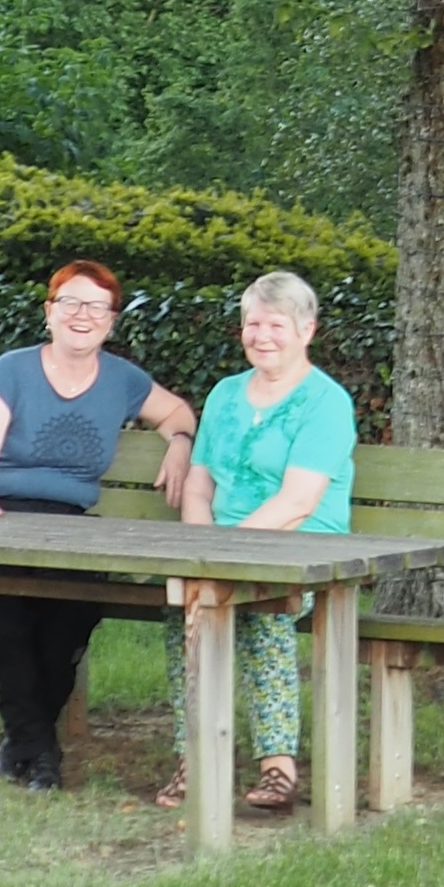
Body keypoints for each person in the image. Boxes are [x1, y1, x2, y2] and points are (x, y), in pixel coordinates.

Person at [0, 261, 198, 787]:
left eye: (96, 307)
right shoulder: (10, 370)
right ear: (50, 312)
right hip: (0, 514)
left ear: (111, 320)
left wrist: (179, 444)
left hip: (71, 526)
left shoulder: (123, 380)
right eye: (71, 303)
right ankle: (40, 753)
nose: (82, 315)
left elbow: (178, 413)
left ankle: (23, 743)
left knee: (72, 615)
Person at [156, 267, 360, 817]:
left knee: (265, 613)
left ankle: (279, 769)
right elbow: (199, 484)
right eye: (252, 323)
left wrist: (227, 555)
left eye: (276, 324)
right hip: (224, 547)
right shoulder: (224, 394)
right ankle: (194, 758)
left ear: (307, 331)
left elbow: (298, 501)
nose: (262, 335)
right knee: (187, 610)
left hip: (302, 552)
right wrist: (203, 553)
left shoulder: (326, 402)